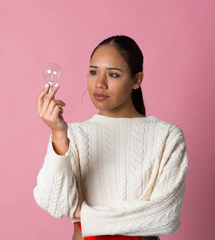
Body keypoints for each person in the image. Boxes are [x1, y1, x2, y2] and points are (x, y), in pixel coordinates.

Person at [34, 35, 189, 240]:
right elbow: (55, 204)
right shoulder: (73, 135)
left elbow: (165, 216)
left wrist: (86, 216)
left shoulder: (167, 137)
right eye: (93, 72)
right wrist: (59, 134)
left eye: (113, 75)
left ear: (136, 80)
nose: (99, 84)